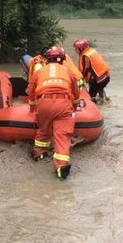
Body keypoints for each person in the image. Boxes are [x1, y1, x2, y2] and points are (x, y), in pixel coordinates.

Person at [28, 46, 80, 180]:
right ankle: (61, 167)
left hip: (43, 103)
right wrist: (74, 107)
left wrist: (33, 107)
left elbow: (31, 90)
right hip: (63, 104)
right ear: (62, 59)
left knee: (43, 129)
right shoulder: (68, 71)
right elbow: (76, 92)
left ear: (47, 59)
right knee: (62, 137)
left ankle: (39, 153)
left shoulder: (39, 71)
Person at [73, 38, 110, 103]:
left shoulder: (85, 56)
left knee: (91, 96)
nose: (75, 50)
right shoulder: (91, 51)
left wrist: (79, 79)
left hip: (98, 80)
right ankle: (105, 101)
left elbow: (85, 70)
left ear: (81, 48)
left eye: (76, 48)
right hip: (106, 76)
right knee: (100, 88)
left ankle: (96, 104)